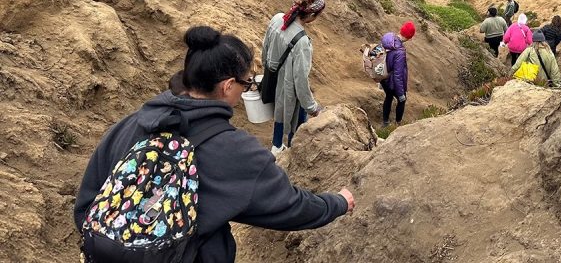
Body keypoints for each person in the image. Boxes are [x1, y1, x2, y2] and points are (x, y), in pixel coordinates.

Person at [74, 26, 354, 263]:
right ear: (227, 86)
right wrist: (339, 202)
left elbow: (87, 202)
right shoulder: (236, 151)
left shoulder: (130, 124)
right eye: (245, 84)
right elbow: (290, 206)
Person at [262, 0, 325, 155]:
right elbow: (300, 80)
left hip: (272, 75)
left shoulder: (277, 19)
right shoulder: (302, 41)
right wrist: (312, 107)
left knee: (279, 112)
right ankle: (291, 150)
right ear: (311, 16)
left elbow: (265, 47)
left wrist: (268, 68)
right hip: (288, 86)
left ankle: (276, 145)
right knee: (294, 115)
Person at [380, 21, 415, 127]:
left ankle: (385, 122)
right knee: (402, 100)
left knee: (388, 97)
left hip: (384, 78)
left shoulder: (388, 39)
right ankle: (398, 124)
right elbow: (398, 75)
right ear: (409, 37)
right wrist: (400, 94)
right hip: (392, 81)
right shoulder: (400, 52)